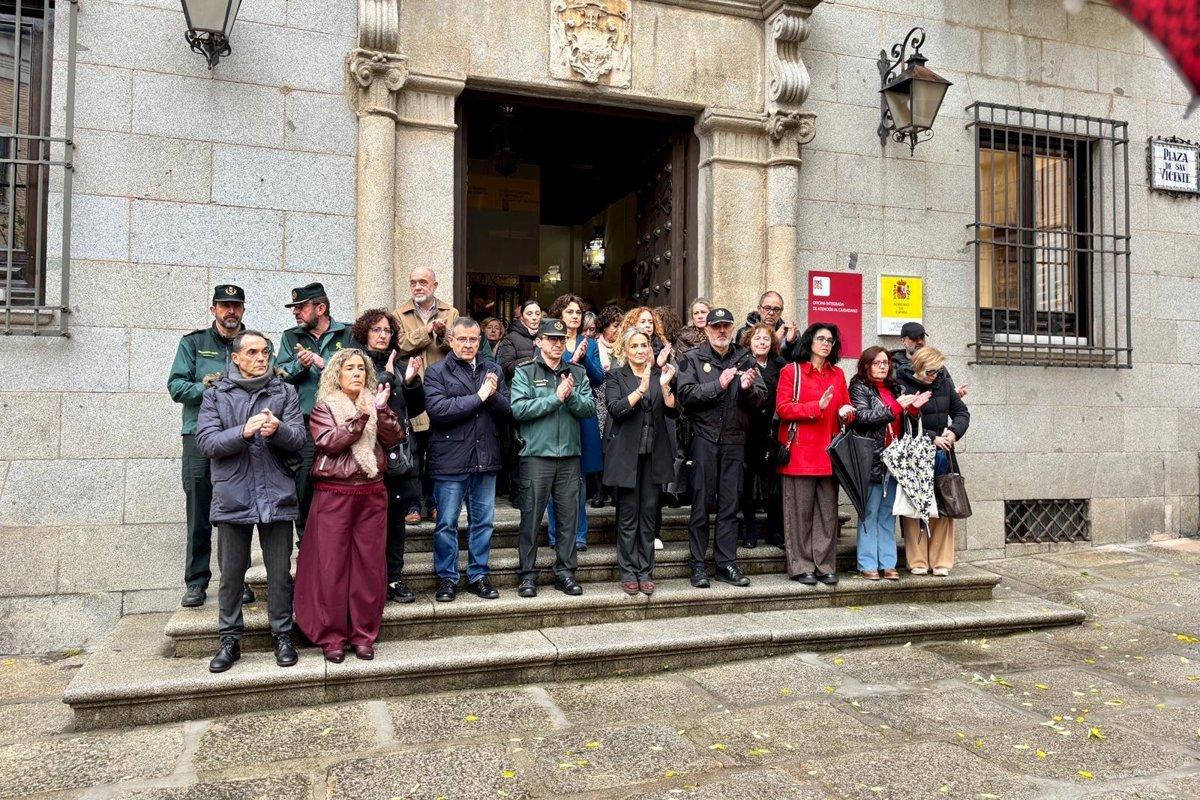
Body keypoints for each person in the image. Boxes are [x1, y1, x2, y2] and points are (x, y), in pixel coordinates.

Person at [195, 331, 306, 672]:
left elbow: (300, 438)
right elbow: (207, 442)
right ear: (237, 358)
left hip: (276, 494)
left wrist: (278, 432)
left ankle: (283, 635)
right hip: (233, 495)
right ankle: (229, 640)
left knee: (279, 573)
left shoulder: (285, 392)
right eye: (253, 352)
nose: (262, 358)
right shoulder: (215, 395)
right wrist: (243, 432)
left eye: (266, 352)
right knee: (231, 574)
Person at [293, 348, 406, 662]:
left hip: (372, 493)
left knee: (369, 566)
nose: (357, 373)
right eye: (350, 369)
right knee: (331, 567)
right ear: (337, 375)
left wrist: (381, 412)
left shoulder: (375, 404)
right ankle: (332, 636)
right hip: (334, 495)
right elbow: (329, 442)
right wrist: (362, 416)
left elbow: (395, 437)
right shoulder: (323, 408)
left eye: (361, 368)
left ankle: (363, 634)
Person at [168, 284, 258, 609]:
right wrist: (206, 388)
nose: (230, 311)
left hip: (240, 438)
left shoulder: (253, 344)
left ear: (243, 310)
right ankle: (196, 582)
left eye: (236, 306)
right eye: (224, 306)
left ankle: (239, 579)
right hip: (199, 436)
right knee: (199, 511)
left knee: (237, 513)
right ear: (213, 310)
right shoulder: (193, 343)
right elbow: (176, 386)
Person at [676, 307, 766, 588]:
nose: (722, 331)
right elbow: (685, 396)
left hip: (735, 441)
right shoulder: (691, 359)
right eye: (717, 327)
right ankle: (698, 565)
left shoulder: (745, 358)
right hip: (704, 439)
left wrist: (749, 389)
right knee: (702, 505)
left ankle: (726, 564)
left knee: (729, 506)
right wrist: (719, 384)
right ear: (707, 330)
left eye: (727, 326)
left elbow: (762, 399)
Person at [423, 317, 511, 602]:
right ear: (451, 340)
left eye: (474, 339)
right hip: (449, 459)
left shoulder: (493, 368)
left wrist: (493, 395)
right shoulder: (437, 372)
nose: (469, 344)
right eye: (462, 339)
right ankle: (447, 578)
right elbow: (439, 410)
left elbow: (509, 409)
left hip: (486, 457)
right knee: (447, 523)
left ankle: (478, 575)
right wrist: (481, 395)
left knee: (483, 522)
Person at [511, 318, 597, 598]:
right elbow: (519, 410)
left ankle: (566, 573)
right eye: (551, 339)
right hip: (536, 456)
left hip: (570, 457)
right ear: (538, 342)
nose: (557, 344)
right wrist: (555, 398)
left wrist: (569, 396)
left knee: (568, 518)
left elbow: (588, 409)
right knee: (531, 518)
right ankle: (527, 575)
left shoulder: (578, 372)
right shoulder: (525, 372)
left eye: (561, 340)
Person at [352, 308, 426, 604]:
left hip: (398, 456)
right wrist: (387, 376)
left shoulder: (403, 363)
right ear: (364, 333)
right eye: (376, 330)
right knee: (368, 525)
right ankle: (370, 582)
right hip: (367, 455)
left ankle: (394, 579)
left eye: (387, 331)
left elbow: (417, 409)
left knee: (396, 523)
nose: (383, 336)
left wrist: (409, 381)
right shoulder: (355, 363)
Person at [776, 323, 855, 586]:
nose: (825, 344)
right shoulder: (792, 371)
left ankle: (824, 565)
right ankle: (801, 566)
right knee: (799, 515)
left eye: (830, 341)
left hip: (830, 454)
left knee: (827, 514)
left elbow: (846, 406)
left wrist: (847, 413)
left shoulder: (838, 374)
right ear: (809, 341)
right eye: (820, 338)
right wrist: (815, 407)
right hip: (800, 453)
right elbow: (783, 408)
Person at [277, 282, 356, 541]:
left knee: (342, 483)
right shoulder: (290, 337)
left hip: (342, 423)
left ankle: (337, 539)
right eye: (294, 308)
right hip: (305, 423)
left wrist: (327, 365)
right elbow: (280, 379)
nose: (295, 312)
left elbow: (360, 372)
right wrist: (300, 365)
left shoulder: (348, 334)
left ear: (320, 308)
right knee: (304, 484)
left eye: (301, 307)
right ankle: (306, 541)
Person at [604, 328, 678, 595]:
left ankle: (646, 570)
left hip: (653, 456)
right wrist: (641, 389)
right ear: (625, 350)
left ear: (650, 349)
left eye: (643, 346)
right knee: (627, 517)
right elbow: (616, 409)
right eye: (634, 346)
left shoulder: (660, 375)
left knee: (648, 516)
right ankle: (628, 571)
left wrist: (667, 391)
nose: (639, 350)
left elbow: (673, 413)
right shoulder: (615, 376)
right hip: (626, 458)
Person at [848, 346, 929, 582]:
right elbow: (863, 419)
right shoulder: (858, 388)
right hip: (871, 459)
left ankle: (888, 563)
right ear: (866, 365)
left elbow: (906, 421)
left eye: (885, 362)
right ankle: (867, 563)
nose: (883, 366)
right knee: (869, 512)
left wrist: (913, 409)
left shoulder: (896, 388)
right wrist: (896, 407)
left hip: (895, 460)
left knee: (888, 514)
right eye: (877, 362)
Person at [895, 346, 970, 577]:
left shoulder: (944, 383)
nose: (934, 376)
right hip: (916, 455)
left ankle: (941, 562)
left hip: (942, 454)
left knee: (943, 504)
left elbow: (962, 412)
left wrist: (953, 432)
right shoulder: (901, 384)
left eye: (938, 371)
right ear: (917, 367)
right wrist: (930, 437)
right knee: (915, 504)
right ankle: (917, 560)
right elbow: (901, 422)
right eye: (930, 372)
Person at [395, 267, 458, 525]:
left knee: (437, 453)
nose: (417, 286)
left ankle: (433, 503)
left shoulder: (451, 312)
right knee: (412, 452)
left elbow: (455, 344)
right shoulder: (399, 314)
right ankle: (413, 504)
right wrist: (428, 330)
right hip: (412, 389)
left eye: (423, 282)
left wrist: (442, 333)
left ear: (435, 285)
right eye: (413, 282)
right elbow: (399, 345)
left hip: (441, 391)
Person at [546, 294, 604, 551]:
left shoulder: (588, 343)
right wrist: (571, 359)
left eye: (578, 312)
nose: (575, 316)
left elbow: (598, 377)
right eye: (570, 311)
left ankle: (579, 535)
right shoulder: (550, 340)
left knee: (578, 479)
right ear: (560, 315)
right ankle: (556, 535)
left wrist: (584, 358)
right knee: (554, 477)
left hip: (582, 413)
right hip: (557, 413)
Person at [739, 322, 786, 550]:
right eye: (757, 339)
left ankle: (773, 530)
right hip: (748, 432)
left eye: (766, 339)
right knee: (748, 484)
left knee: (774, 485)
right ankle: (749, 531)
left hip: (773, 431)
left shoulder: (780, 365)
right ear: (749, 342)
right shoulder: (742, 364)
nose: (761, 342)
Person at [495, 299, 543, 506]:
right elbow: (505, 367)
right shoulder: (511, 339)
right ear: (522, 317)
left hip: (543, 398)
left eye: (537, 313)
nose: (534, 317)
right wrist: (533, 360)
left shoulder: (547, 336)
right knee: (519, 448)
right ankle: (518, 495)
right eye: (529, 314)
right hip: (520, 398)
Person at [590, 303, 625, 509]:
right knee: (599, 445)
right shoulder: (593, 345)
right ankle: (599, 490)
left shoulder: (625, 346)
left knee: (616, 444)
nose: (618, 330)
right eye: (614, 326)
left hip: (618, 397)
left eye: (621, 326)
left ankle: (616, 490)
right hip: (598, 398)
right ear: (604, 326)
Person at [891, 321, 968, 399]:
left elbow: (949, 390)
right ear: (903, 341)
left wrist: (954, 394)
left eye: (922, 337)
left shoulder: (936, 363)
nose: (920, 342)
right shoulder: (893, 365)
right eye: (914, 339)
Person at [736, 290, 800, 360]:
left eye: (776, 309)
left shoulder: (789, 334)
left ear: (781, 312)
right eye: (767, 308)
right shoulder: (744, 333)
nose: (771, 313)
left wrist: (789, 343)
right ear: (759, 309)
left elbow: (795, 362)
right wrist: (775, 341)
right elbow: (743, 362)